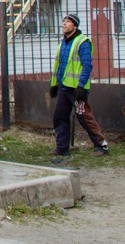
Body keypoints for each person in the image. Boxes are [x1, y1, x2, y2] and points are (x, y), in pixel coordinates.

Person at [49, 13, 109, 162]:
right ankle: (62, 148)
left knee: (84, 117)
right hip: (64, 87)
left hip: (76, 89)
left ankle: (102, 145)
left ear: (75, 26)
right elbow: (59, 65)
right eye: (63, 21)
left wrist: (81, 86)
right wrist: (54, 85)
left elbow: (87, 65)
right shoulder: (63, 42)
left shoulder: (82, 42)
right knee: (59, 117)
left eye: (68, 22)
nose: (64, 24)